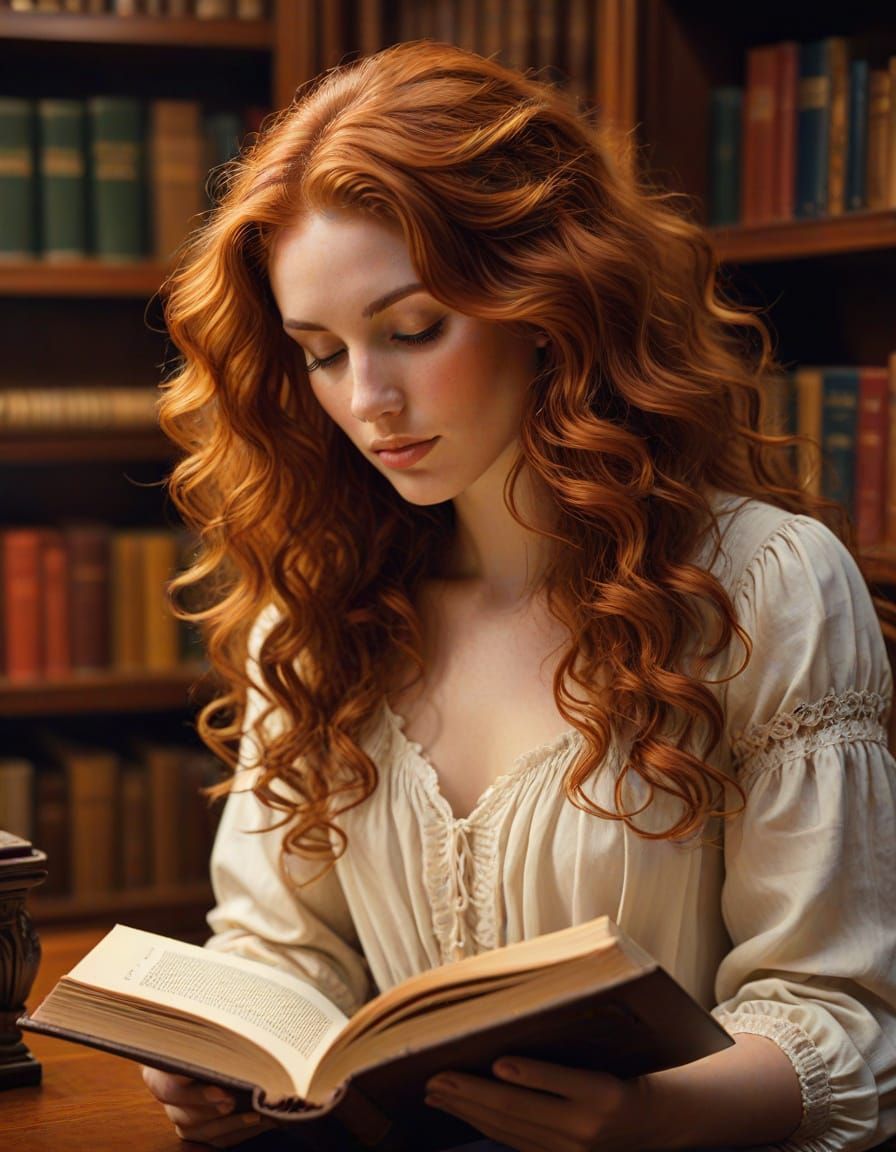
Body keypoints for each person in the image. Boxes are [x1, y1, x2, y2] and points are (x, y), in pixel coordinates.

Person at [143, 40, 896, 1152]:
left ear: (545, 303)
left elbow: (842, 1016)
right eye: (319, 352)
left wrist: (655, 1118)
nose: (368, 400)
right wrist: (218, 1055)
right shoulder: (309, 611)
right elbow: (284, 951)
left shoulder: (762, 585)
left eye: (410, 330)